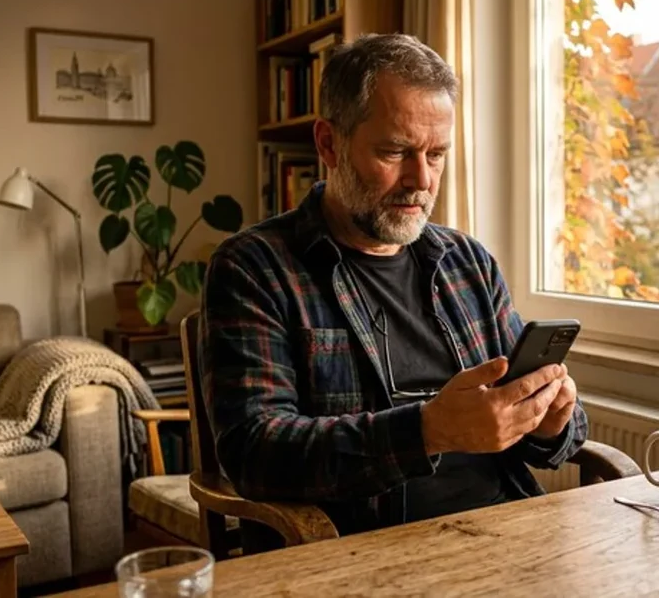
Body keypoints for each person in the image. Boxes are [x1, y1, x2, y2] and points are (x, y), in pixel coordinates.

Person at [199, 33, 588, 537]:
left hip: (503, 533)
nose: (421, 179)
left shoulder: (468, 263)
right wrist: (426, 431)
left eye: (436, 154)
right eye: (395, 151)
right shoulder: (254, 269)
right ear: (329, 144)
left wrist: (550, 421)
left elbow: (560, 428)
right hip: (360, 550)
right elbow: (254, 452)